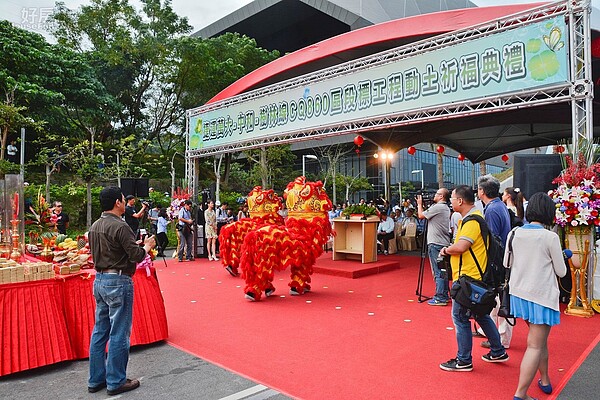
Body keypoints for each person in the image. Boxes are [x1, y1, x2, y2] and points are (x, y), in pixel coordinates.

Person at [87, 186, 156, 395]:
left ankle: (96, 379)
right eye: (124, 200)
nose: (125, 203)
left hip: (100, 280)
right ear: (118, 202)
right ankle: (116, 380)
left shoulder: (95, 226)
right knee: (119, 333)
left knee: (100, 331)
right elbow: (135, 255)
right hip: (117, 281)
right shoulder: (120, 225)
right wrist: (146, 246)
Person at [438, 185, 508, 372]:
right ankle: (497, 350)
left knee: (460, 317)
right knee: (480, 315)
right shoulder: (472, 219)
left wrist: (446, 250)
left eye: (452, 199)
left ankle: (464, 360)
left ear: (460, 201)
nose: (451, 202)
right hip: (473, 278)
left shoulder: (471, 222)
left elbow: (461, 246)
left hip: (469, 280)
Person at [508, 193, 566, 400]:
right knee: (535, 344)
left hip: (519, 294)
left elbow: (508, 263)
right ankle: (520, 394)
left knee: (538, 340)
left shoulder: (514, 233)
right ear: (549, 213)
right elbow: (562, 272)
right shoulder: (550, 237)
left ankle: (545, 379)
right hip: (541, 296)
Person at [478, 174, 513, 349]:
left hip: (498, 259)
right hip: (503, 257)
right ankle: (491, 332)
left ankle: (501, 337)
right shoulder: (499, 205)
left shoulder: (492, 209)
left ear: (482, 191)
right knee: (499, 297)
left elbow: (492, 239)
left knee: (500, 298)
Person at [416, 188, 451, 306]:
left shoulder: (438, 207)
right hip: (443, 242)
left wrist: (419, 204)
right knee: (443, 270)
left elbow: (421, 215)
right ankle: (444, 294)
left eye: (436, 193)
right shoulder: (445, 208)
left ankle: (440, 297)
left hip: (436, 243)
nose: (433, 195)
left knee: (438, 271)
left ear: (441, 196)